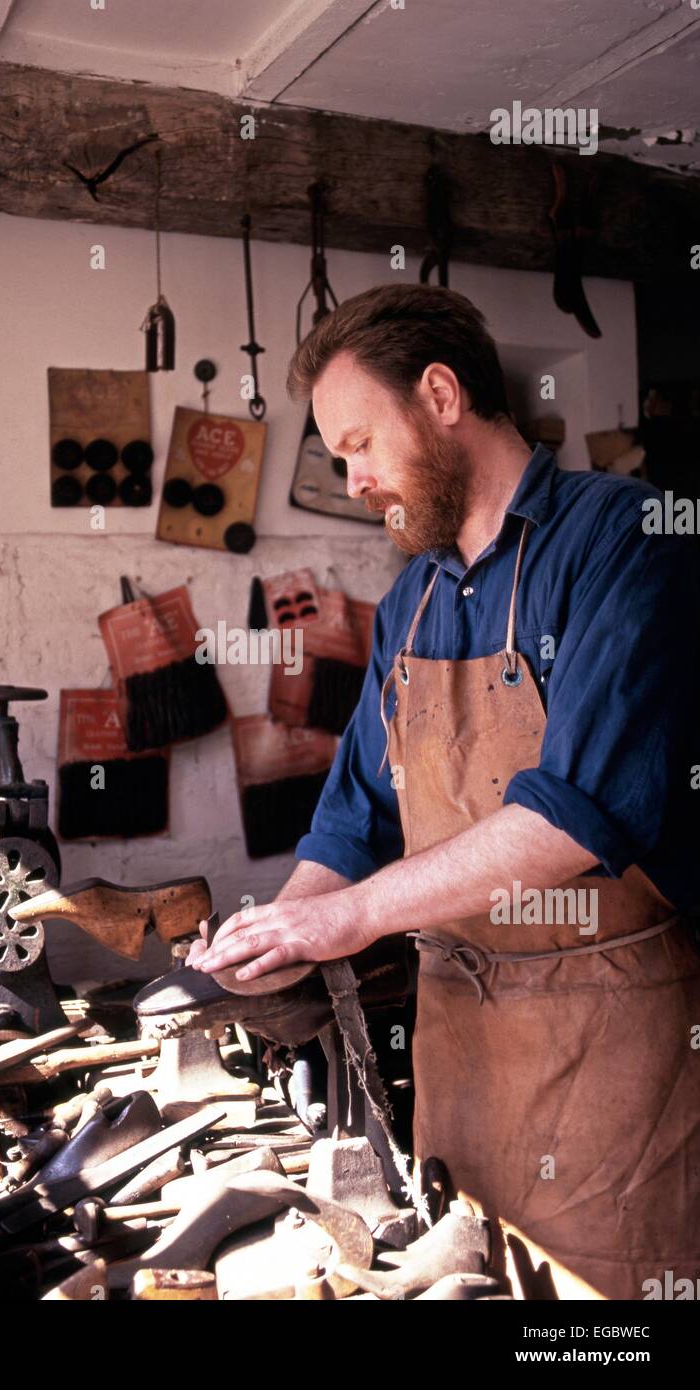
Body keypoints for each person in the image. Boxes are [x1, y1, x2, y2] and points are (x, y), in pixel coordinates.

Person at [190, 283, 700, 1299]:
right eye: (340, 458)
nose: (354, 477)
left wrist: (352, 916)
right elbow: (356, 814)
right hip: (461, 1062)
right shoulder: (411, 600)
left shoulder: (628, 538)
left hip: (612, 1066)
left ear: (439, 394)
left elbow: (571, 818)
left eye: (360, 443)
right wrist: (278, 934)